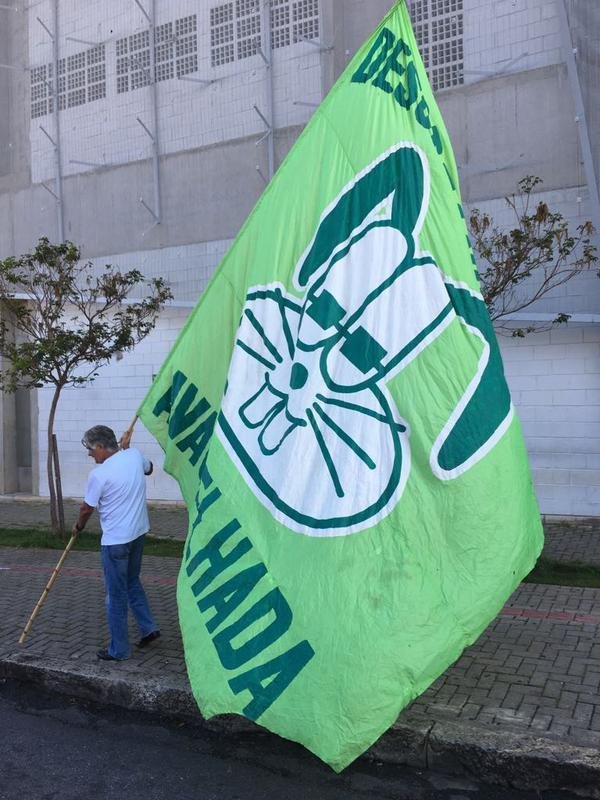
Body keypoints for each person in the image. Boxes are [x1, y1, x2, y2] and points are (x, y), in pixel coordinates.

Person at [73, 424, 160, 661]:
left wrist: (79, 526)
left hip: (116, 542)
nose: (90, 454)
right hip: (139, 533)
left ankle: (119, 649)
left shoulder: (99, 474)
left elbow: (86, 508)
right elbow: (149, 468)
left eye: (91, 449)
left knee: (115, 594)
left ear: (101, 447)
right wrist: (128, 450)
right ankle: (149, 627)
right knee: (131, 582)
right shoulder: (133, 456)